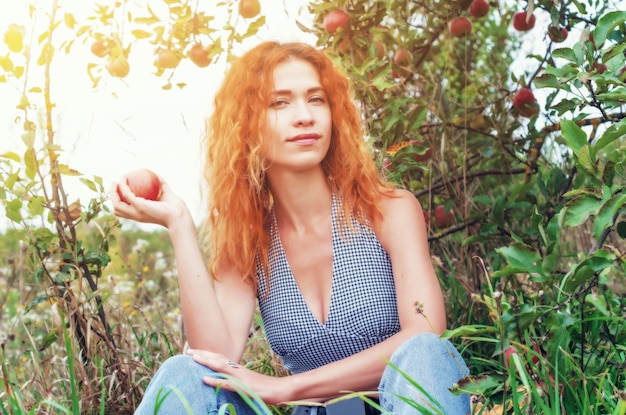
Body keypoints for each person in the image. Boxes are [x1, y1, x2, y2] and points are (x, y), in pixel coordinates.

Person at [111, 41, 470, 415]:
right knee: (184, 373)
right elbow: (213, 362)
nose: (304, 116)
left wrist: (288, 387)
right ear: (246, 124)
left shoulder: (388, 210)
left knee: (427, 352)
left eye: (316, 99)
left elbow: (425, 330)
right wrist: (179, 226)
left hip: (401, 406)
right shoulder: (249, 242)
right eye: (280, 103)